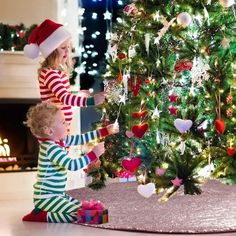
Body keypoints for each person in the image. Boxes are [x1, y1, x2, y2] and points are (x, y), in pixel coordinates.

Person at [22, 102, 119, 223]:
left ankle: (46, 212)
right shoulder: (50, 148)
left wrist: (105, 131)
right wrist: (93, 153)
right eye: (63, 122)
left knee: (82, 206)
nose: (67, 124)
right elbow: (72, 165)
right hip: (46, 198)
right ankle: (42, 216)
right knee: (81, 213)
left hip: (58, 195)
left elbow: (81, 138)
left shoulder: (60, 140)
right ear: (49, 131)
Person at [24, 18, 105, 125]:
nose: (67, 50)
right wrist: (91, 101)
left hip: (59, 125)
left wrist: (77, 93)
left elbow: (58, 94)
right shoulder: (50, 74)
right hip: (53, 125)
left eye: (68, 46)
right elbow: (64, 97)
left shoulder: (57, 72)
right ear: (51, 52)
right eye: (63, 47)